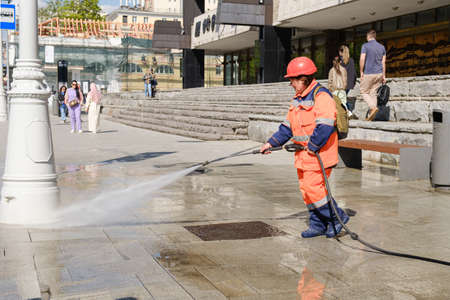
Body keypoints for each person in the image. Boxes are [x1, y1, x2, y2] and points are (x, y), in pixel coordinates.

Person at [260, 57, 349, 238]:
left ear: (304, 78)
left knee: (314, 189)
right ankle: (317, 225)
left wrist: (313, 146)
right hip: (303, 155)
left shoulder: (321, 96)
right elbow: (287, 127)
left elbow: (325, 125)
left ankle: (337, 218)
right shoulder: (297, 99)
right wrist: (271, 143)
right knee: (306, 191)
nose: (291, 84)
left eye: (293, 80)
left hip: (318, 154)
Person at [360, 29, 386, 121]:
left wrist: (361, 71)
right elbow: (383, 62)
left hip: (369, 73)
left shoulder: (365, 46)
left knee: (363, 91)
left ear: (368, 37)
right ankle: (372, 115)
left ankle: (373, 107)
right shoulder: (382, 47)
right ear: (375, 37)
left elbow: (362, 59)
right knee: (373, 93)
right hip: (379, 73)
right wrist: (384, 76)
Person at [339, 45, 357, 119]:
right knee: (343, 97)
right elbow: (354, 73)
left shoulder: (340, 62)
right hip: (349, 83)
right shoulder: (351, 60)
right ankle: (348, 112)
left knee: (341, 98)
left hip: (343, 83)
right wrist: (353, 82)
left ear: (341, 52)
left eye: (339, 52)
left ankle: (349, 112)